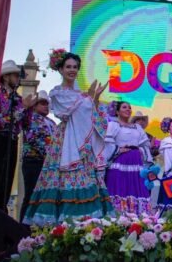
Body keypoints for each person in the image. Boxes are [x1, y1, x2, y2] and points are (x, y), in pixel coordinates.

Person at [23, 52, 113, 225]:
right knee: (61, 179)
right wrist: (88, 100)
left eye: (75, 67)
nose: (72, 70)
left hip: (82, 143)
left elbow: (95, 117)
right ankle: (59, 226)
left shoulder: (82, 95)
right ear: (61, 70)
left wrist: (95, 100)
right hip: (65, 141)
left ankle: (86, 224)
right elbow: (65, 111)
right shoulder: (57, 93)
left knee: (86, 176)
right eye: (68, 67)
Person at [0, 60, 36, 212]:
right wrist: (24, 108)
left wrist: (28, 109)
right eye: (15, 75)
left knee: (8, 177)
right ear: (6, 77)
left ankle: (2, 210)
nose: (17, 79)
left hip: (13, 140)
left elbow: (26, 124)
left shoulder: (18, 99)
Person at [104, 102, 153, 215]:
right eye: (124, 107)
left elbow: (146, 144)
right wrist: (118, 150)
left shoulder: (137, 128)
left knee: (138, 190)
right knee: (120, 189)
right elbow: (107, 144)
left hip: (136, 164)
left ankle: (139, 221)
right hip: (120, 163)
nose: (128, 109)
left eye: (130, 108)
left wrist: (139, 151)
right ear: (117, 112)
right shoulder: (113, 125)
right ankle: (119, 221)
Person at [19, 91, 55, 222]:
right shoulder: (30, 118)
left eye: (47, 104)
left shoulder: (51, 122)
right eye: (42, 103)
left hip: (48, 164)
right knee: (31, 194)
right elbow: (31, 136)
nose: (46, 106)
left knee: (45, 196)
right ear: (34, 105)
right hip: (33, 161)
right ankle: (23, 227)